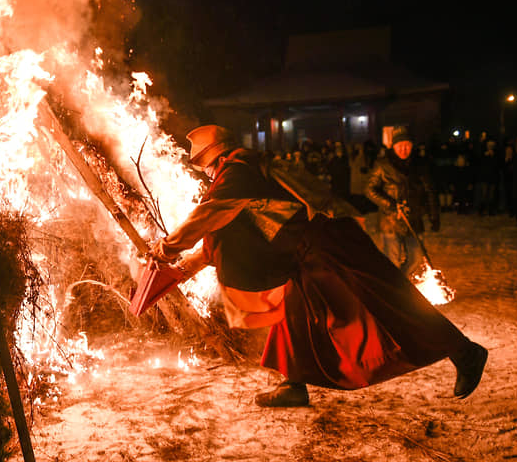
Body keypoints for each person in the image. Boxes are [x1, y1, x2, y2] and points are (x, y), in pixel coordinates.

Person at [149, 125, 487, 407]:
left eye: (206, 165)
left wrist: (165, 250)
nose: (207, 173)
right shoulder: (242, 173)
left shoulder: (237, 170)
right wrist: (181, 270)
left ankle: (464, 351)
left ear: (219, 157)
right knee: (294, 314)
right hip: (300, 254)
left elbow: (207, 216)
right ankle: (292, 385)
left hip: (329, 244)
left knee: (385, 300)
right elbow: (216, 238)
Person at [365, 126, 440, 280]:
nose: (403, 149)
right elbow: (369, 189)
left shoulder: (419, 165)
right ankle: (395, 288)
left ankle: (400, 283)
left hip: (413, 219)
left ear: (412, 146)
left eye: (407, 145)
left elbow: (429, 191)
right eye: (400, 146)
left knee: (416, 258)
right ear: (393, 146)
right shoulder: (383, 165)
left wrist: (434, 216)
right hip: (390, 221)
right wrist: (391, 205)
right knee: (392, 260)